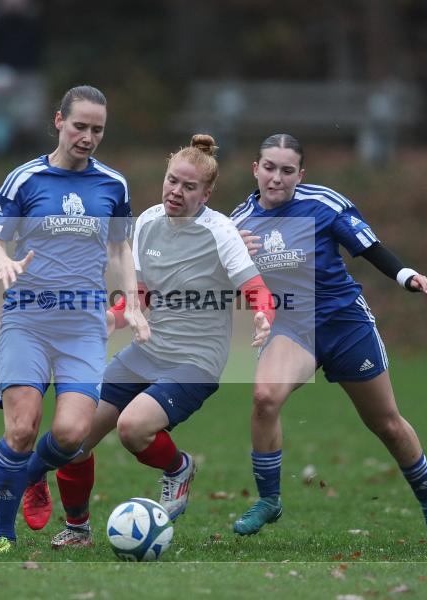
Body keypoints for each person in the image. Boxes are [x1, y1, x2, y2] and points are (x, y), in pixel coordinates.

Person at [49, 134, 277, 548]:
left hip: (196, 361)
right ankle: (78, 529)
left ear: (206, 194)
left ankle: (178, 468)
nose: (176, 191)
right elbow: (139, 298)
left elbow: (257, 290)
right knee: (74, 436)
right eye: (172, 180)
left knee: (133, 428)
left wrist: (262, 314)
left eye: (189, 187)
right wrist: (113, 318)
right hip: (147, 350)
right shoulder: (147, 223)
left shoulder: (221, 232)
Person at [229, 133, 427, 544]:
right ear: (255, 169)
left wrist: (405, 275)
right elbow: (220, 280)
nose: (277, 178)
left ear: (301, 174)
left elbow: (368, 247)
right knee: (264, 397)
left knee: (386, 423)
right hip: (292, 329)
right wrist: (226, 252)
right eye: (269, 168)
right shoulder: (237, 223)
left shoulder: (324, 203)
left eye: (287, 170)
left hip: (344, 323)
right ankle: (269, 499)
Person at [0, 85, 149, 555]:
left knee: (73, 434)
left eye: (97, 130)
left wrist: (132, 303)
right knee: (22, 429)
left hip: (83, 325)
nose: (87, 138)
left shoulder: (112, 185)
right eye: (79, 127)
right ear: (59, 121)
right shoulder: (25, 179)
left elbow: (120, 248)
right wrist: (3, 262)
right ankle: (3, 535)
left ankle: (34, 474)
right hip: (28, 319)